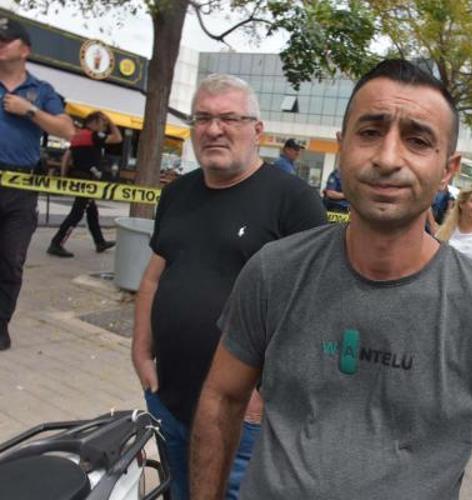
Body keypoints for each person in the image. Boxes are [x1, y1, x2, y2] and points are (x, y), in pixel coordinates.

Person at [190, 59, 472, 500]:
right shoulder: (273, 271)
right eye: (370, 132)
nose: (387, 158)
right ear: (342, 147)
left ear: (448, 169)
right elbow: (221, 400)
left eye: (418, 140)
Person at [130, 74, 327, 500]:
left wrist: (265, 392)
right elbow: (153, 276)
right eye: (202, 118)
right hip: (168, 398)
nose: (213, 129)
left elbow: (316, 310)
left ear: (258, 130)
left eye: (229, 118)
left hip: (241, 415)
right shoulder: (177, 193)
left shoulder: (294, 201)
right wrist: (141, 353)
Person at [0, 16, 75, 351]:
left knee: (11, 260)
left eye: (6, 40)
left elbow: (67, 130)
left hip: (21, 187)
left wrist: (28, 110)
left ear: (25, 50)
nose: (0, 45)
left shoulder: (41, 91)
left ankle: (0, 325)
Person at [47, 111, 121, 257]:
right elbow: (118, 138)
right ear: (93, 122)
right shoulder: (94, 136)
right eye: (102, 123)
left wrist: (63, 175)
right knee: (77, 213)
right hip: (88, 180)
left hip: (78, 177)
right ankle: (56, 243)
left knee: (92, 211)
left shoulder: (77, 136)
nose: (104, 126)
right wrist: (111, 121)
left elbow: (67, 156)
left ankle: (100, 242)